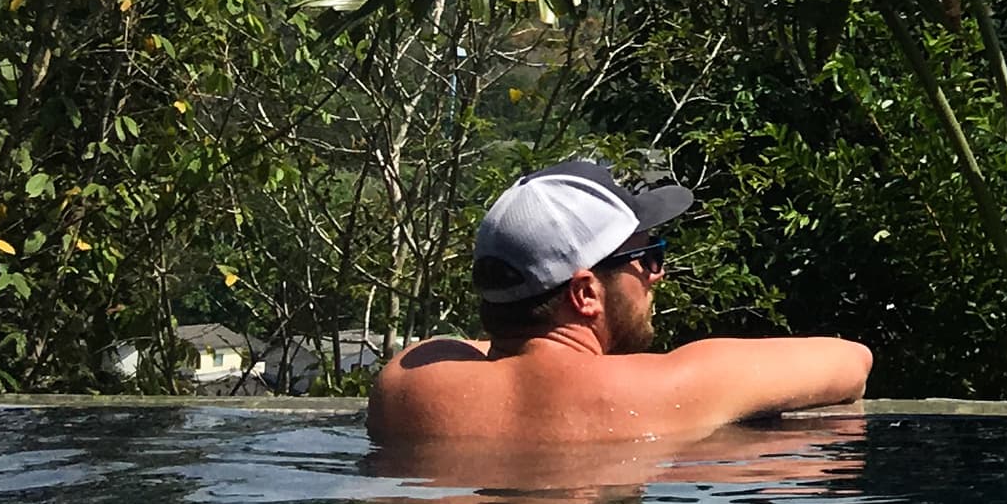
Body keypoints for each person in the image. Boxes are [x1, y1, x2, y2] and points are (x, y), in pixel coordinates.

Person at [366, 157, 870, 448]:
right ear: (585, 293)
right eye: (648, 257)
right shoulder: (659, 387)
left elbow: (499, 359)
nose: (659, 273)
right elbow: (851, 362)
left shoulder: (408, 382)